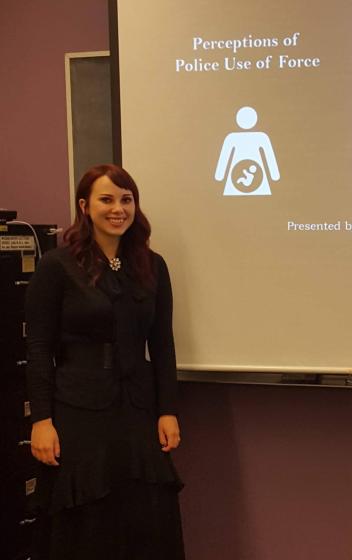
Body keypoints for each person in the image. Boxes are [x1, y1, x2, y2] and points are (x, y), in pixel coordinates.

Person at [25, 164, 185, 559]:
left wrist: (168, 410)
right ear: (85, 206)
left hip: (137, 410)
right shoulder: (57, 266)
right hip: (78, 410)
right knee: (87, 520)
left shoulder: (153, 265)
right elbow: (38, 347)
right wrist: (41, 420)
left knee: (143, 514)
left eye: (126, 199)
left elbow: (162, 344)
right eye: (107, 199)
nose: (118, 209)